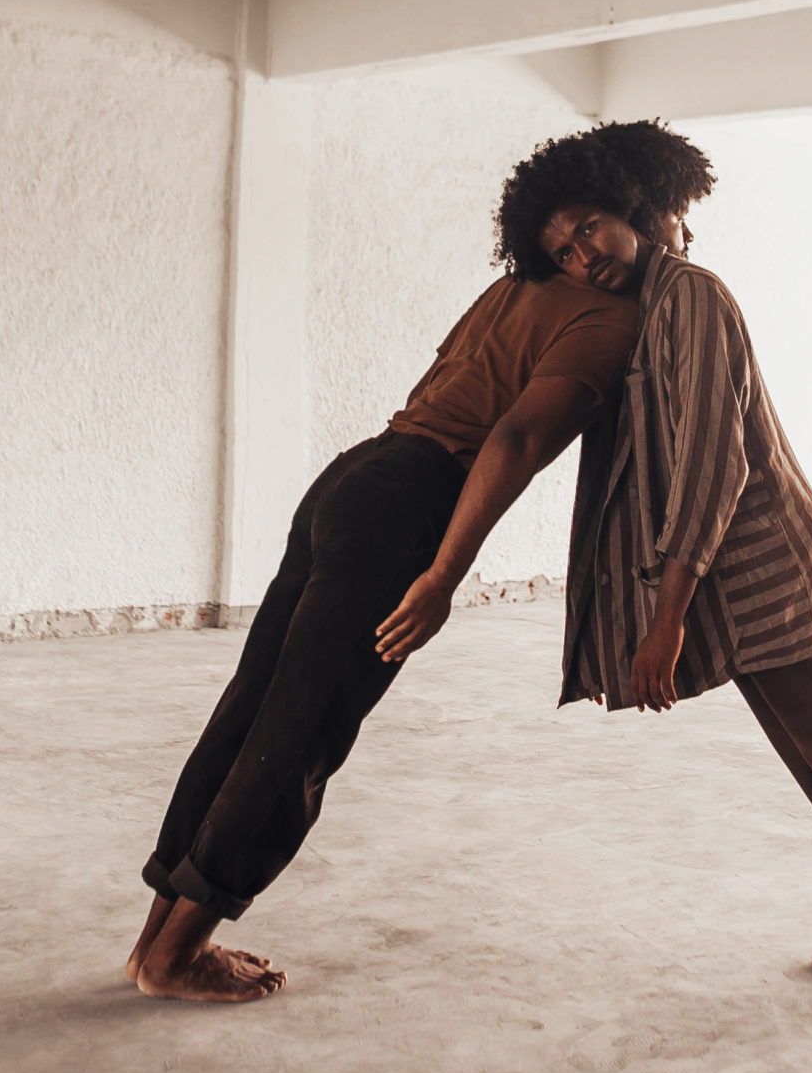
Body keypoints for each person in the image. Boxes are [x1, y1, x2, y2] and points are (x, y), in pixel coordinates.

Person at [490, 121, 812, 1017]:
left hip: (768, 569)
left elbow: (711, 462)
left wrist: (666, 619)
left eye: (590, 228)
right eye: (562, 250)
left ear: (630, 207)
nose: (583, 257)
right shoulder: (648, 306)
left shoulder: (692, 295)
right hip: (734, 583)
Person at [126, 259, 639, 1001]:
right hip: (407, 504)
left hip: (358, 475)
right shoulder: (613, 314)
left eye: (593, 228)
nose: (586, 251)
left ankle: (154, 946)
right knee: (301, 733)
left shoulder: (521, 284)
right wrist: (444, 574)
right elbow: (517, 439)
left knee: (254, 712)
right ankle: (175, 956)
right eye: (573, 233)